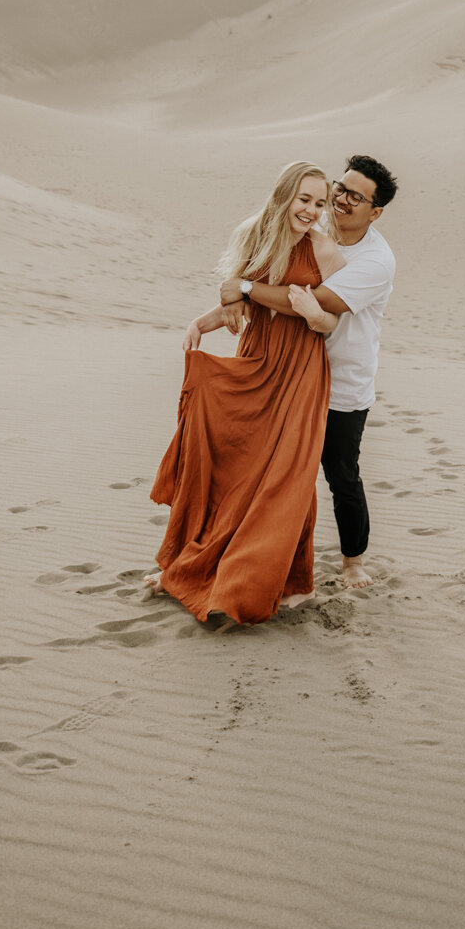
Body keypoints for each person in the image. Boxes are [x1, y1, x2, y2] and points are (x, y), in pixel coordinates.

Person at [146, 162, 345, 624]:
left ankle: (293, 580)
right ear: (284, 196)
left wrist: (286, 304)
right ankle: (195, 563)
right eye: (304, 199)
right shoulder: (255, 235)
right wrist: (204, 321)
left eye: (319, 203)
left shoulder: (326, 251)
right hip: (257, 358)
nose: (312, 211)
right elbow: (241, 298)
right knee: (237, 465)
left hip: (301, 368)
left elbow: (329, 319)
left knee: (288, 473)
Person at [220, 156, 397, 591]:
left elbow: (308, 300)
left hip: (342, 381)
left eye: (357, 196)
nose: (341, 200)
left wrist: (241, 288)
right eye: (341, 187)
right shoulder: (311, 225)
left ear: (374, 212)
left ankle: (353, 562)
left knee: (340, 474)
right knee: (271, 470)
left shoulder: (375, 261)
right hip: (291, 375)